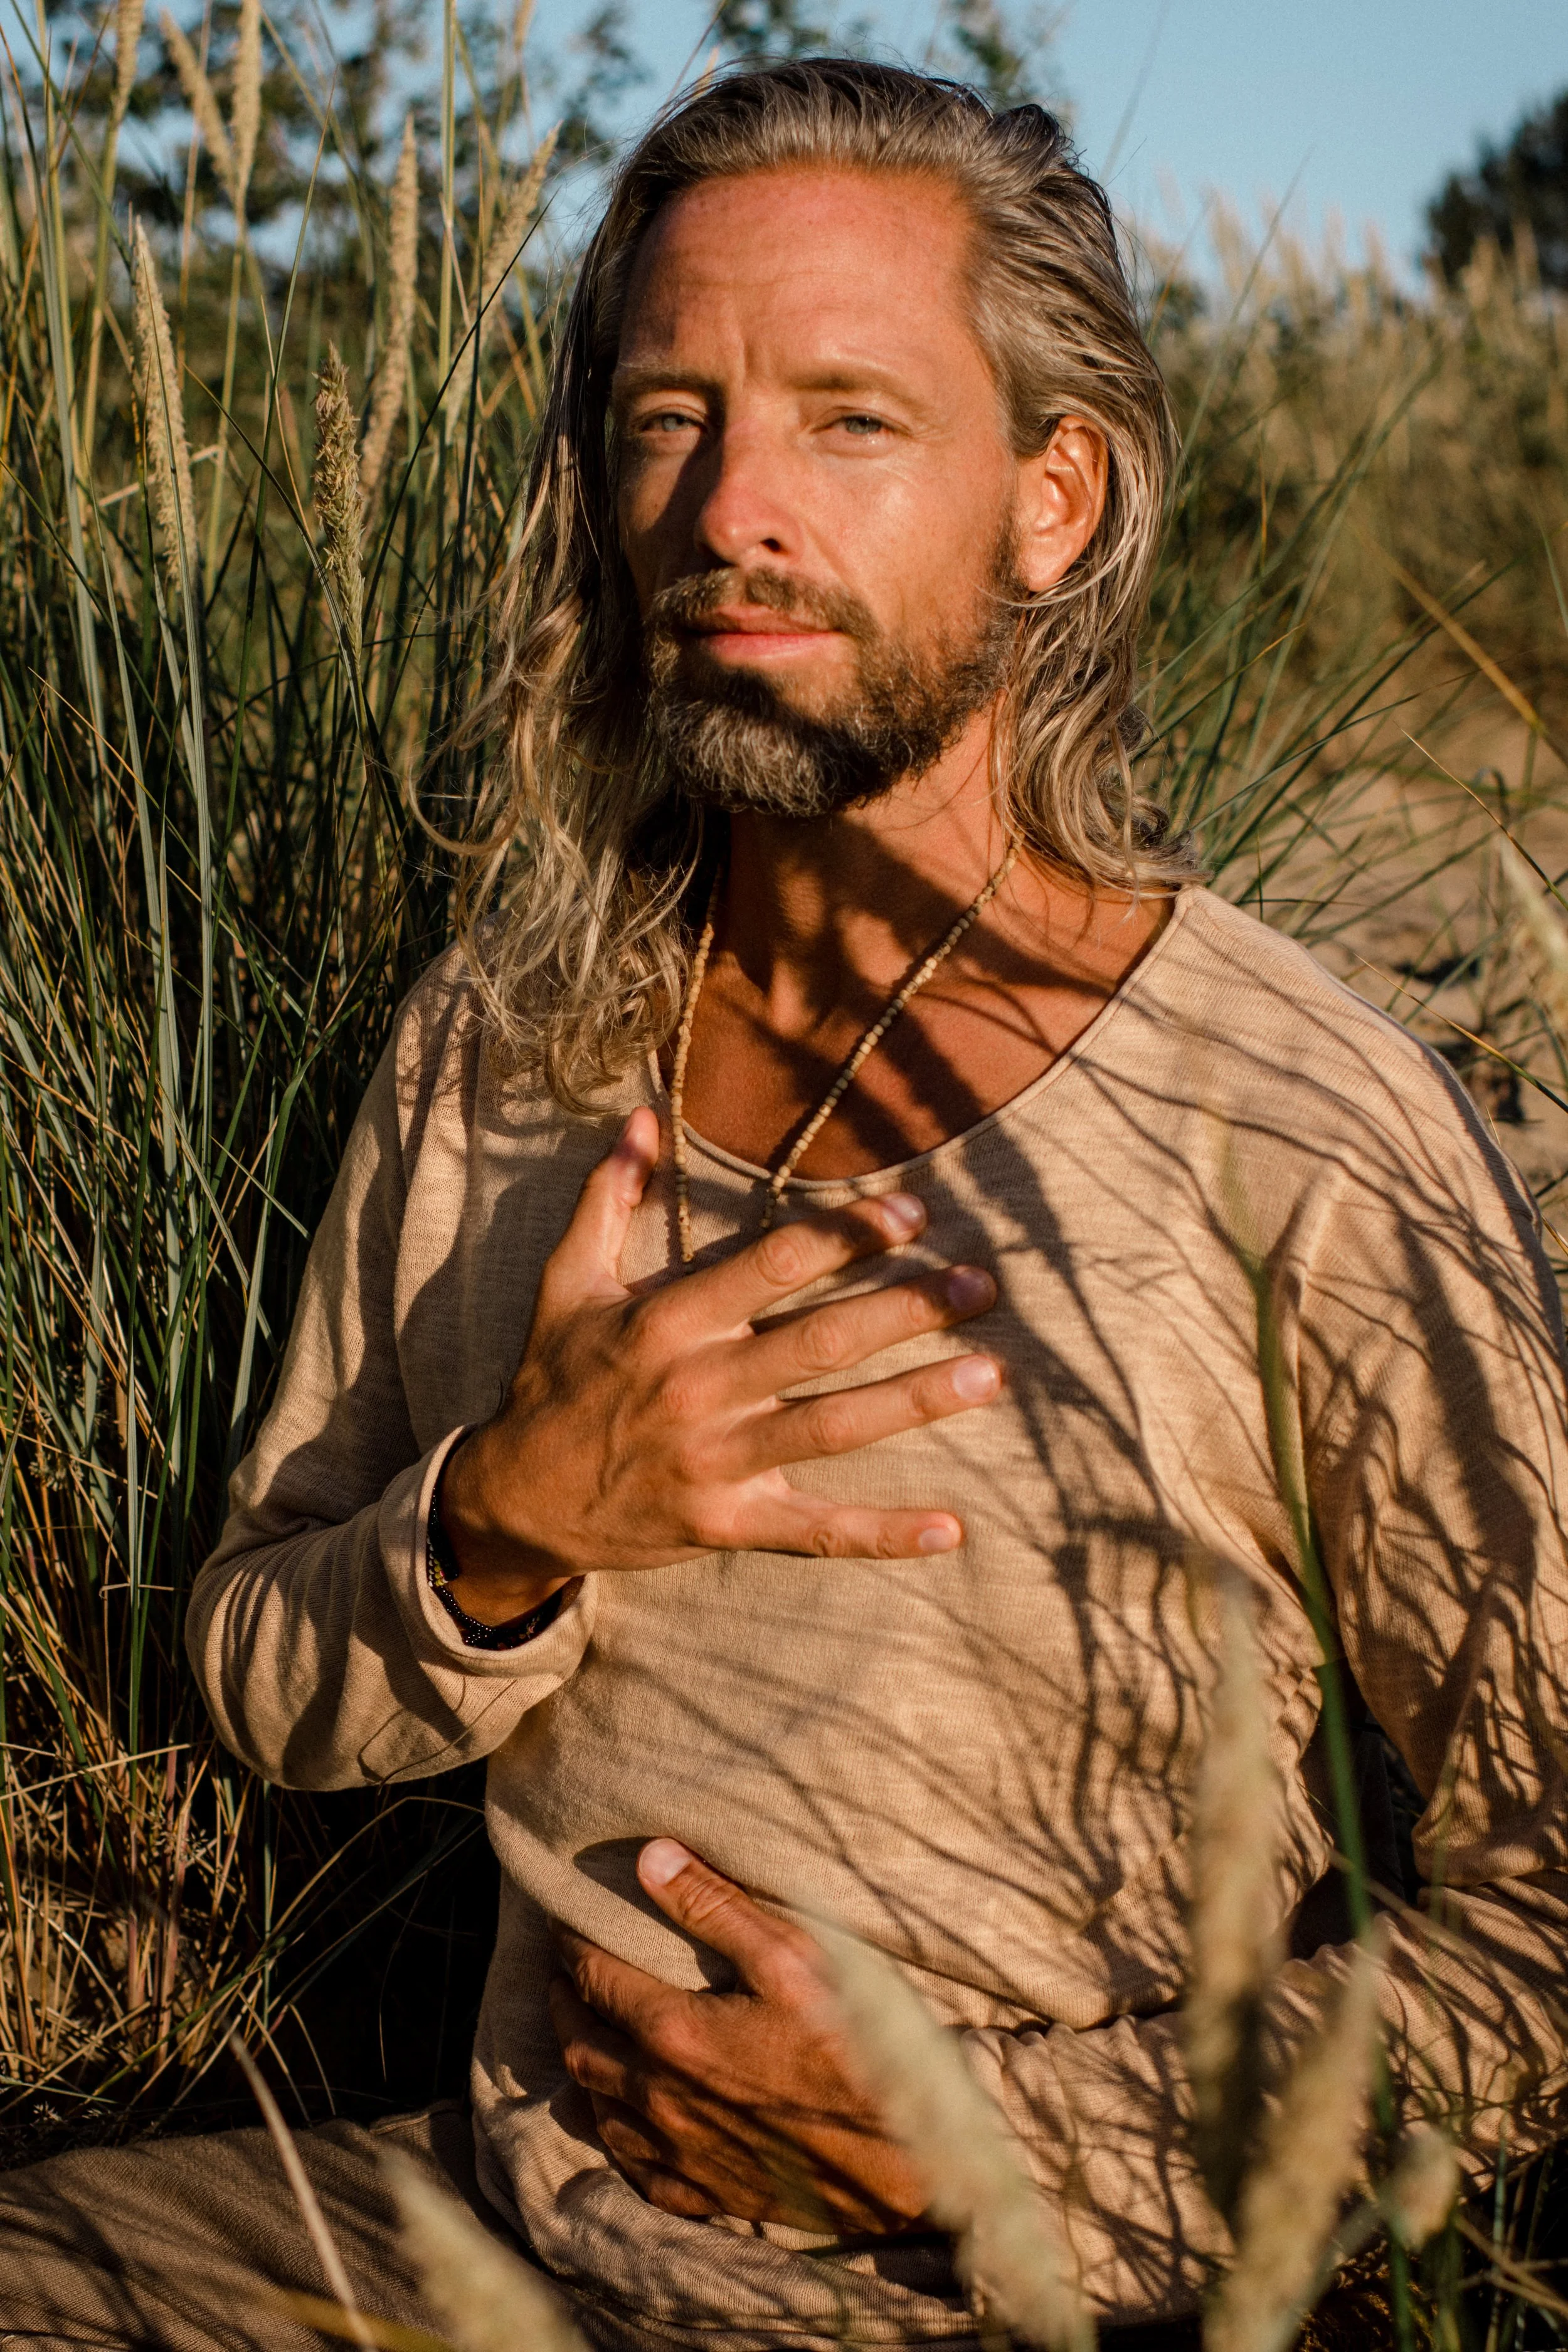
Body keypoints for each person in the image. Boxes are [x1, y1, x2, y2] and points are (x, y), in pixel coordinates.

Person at [2, 55, 1565, 2352]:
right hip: (475, 2237)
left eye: (847, 418)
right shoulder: (508, 1036)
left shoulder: (1300, 1124)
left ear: (1053, 498)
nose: (730, 505)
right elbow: (258, 1668)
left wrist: (1011, 2154)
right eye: (665, 416)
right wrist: (503, 1523)